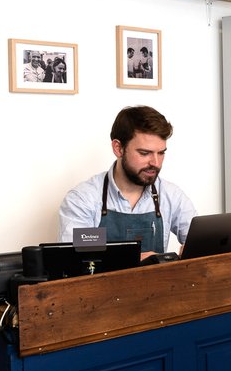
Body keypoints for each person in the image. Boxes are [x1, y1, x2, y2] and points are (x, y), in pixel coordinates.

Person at [57, 106, 195, 257]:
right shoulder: (83, 199)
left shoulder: (172, 195)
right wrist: (134, 261)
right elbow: (76, 260)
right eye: (144, 153)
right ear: (118, 148)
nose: (156, 162)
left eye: (161, 153)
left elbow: (201, 242)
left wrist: (194, 251)